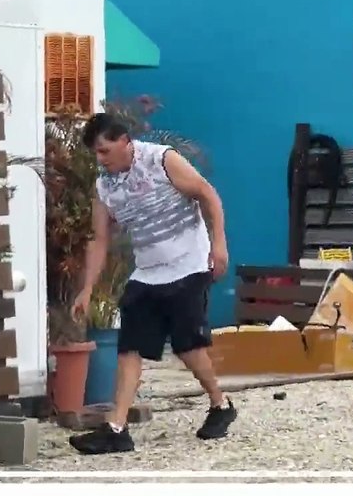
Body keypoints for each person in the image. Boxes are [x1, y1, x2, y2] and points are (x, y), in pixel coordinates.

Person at [67, 113, 236, 454]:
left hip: (189, 262)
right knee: (129, 346)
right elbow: (99, 239)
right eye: (95, 154)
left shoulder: (161, 159)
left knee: (188, 346)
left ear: (125, 142)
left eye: (104, 151)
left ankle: (220, 404)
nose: (100, 160)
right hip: (148, 271)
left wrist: (219, 244)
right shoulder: (104, 186)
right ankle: (116, 428)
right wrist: (86, 288)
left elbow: (207, 194)